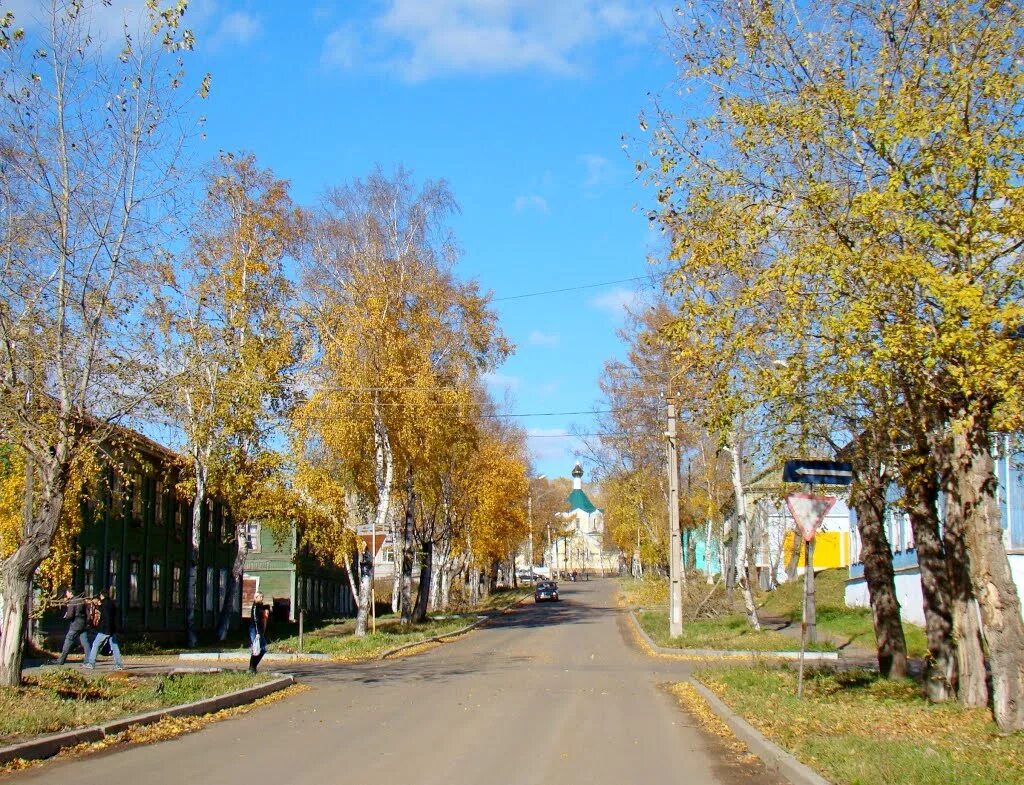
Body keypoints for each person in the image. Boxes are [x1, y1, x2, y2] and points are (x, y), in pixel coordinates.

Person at [83, 587, 122, 671]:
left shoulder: (104, 604)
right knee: (115, 646)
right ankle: (118, 665)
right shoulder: (112, 603)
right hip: (113, 629)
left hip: (105, 629)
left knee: (95, 644)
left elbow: (105, 617)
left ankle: (91, 663)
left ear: (101, 595)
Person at [56, 587, 91, 665]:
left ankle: (61, 660)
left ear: (71, 593)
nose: (66, 594)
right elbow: (88, 614)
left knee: (68, 641)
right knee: (85, 642)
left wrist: (66, 616)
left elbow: (70, 615)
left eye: (67, 593)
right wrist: (86, 622)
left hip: (75, 625)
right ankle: (89, 660)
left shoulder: (73, 602)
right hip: (83, 624)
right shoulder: (82, 601)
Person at [248, 591, 270, 674]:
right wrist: (257, 632)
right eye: (260, 597)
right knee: (256, 648)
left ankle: (254, 666)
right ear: (256, 598)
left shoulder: (260, 606)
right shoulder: (255, 607)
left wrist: (266, 610)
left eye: (262, 597)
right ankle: (251, 667)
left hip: (259, 630)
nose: (262, 599)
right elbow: (255, 620)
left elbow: (265, 611)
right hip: (254, 629)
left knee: (263, 648)